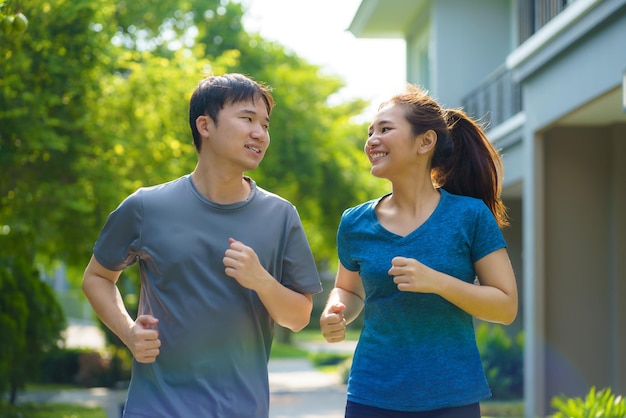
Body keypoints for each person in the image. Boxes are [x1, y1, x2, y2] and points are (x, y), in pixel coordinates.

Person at [83, 73, 322, 418]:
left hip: (242, 409)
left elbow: (299, 317)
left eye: (265, 125)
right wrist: (129, 331)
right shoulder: (146, 207)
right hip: (156, 408)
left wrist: (261, 280)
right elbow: (97, 277)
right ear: (205, 126)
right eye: (247, 119)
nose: (260, 133)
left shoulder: (281, 215)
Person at [319, 84, 518, 418]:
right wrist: (335, 311)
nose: (372, 140)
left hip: (452, 396)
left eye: (385, 129)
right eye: (370, 132)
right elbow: (348, 289)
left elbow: (505, 306)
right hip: (372, 394)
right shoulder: (354, 222)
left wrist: (437, 282)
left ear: (425, 142)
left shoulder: (469, 217)